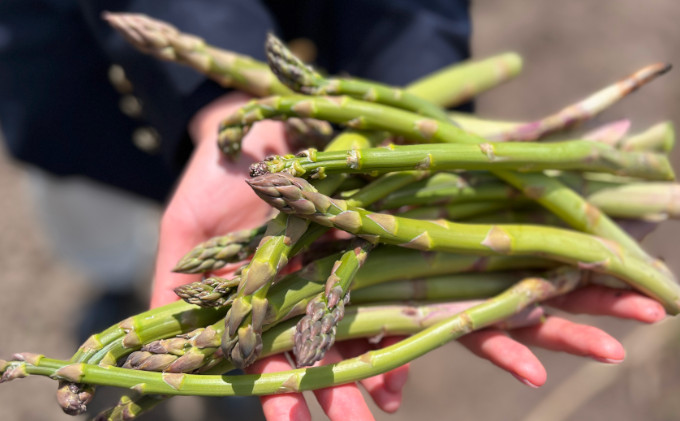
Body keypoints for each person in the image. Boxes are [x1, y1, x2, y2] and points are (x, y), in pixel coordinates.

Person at [0, 1, 666, 420]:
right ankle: (118, 290)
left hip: (326, 105)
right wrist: (214, 101)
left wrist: (406, 84)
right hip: (64, 69)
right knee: (91, 213)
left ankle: (170, 334)